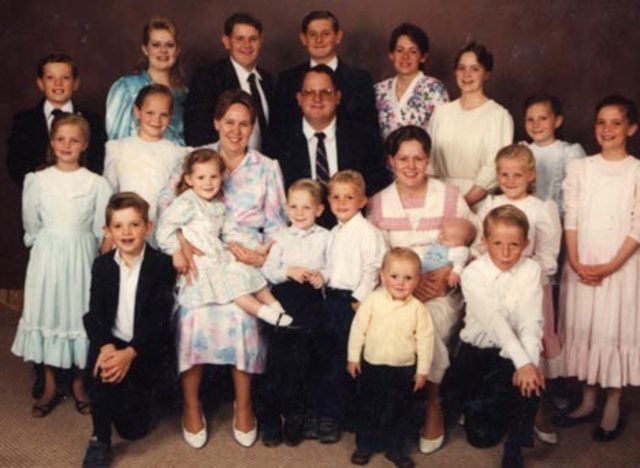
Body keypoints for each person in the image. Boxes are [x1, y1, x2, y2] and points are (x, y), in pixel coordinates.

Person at [160, 88, 288, 449]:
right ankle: (190, 404)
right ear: (216, 122)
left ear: (252, 127)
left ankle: (244, 404)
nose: (235, 130)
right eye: (228, 122)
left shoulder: (267, 168)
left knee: (243, 319)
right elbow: (166, 205)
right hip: (199, 259)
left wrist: (261, 256)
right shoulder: (194, 157)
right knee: (192, 318)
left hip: (245, 261)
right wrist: (180, 246)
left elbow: (278, 226)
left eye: (244, 124)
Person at [367, 125, 474, 454]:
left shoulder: (449, 196)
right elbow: (373, 258)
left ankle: (432, 403)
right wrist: (404, 285)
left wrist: (445, 273)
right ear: (391, 161)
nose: (411, 166)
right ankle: (392, 414)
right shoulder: (379, 203)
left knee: (431, 325)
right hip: (398, 287)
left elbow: (475, 241)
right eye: (403, 159)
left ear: (428, 159)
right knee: (393, 325)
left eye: (418, 158)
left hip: (442, 285)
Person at [11, 114, 112, 419]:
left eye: (74, 140)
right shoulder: (37, 180)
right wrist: (45, 247)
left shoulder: (97, 183)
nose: (67, 145)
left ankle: (80, 383)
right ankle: (51, 384)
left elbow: (99, 229)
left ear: (84, 145)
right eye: (60, 139)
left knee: (78, 316)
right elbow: (32, 223)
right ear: (52, 142)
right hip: (48, 257)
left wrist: (91, 255)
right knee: (49, 311)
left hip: (82, 256)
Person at [555, 96, 640, 442]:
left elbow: (638, 226)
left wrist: (610, 266)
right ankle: (588, 399)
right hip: (582, 258)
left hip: (620, 263)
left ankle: (612, 404)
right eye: (601, 122)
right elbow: (571, 216)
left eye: (616, 123)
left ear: (631, 129)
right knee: (586, 326)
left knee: (612, 327)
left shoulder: (637, 170)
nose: (607, 130)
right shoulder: (581, 168)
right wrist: (574, 260)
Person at [474, 143, 562, 444]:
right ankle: (496, 406)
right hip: (495, 286)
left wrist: (520, 271)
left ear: (531, 175)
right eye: (504, 174)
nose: (510, 181)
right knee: (499, 344)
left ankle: (536, 407)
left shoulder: (541, 208)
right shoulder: (488, 204)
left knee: (531, 344)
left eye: (517, 175)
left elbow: (549, 257)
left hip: (529, 287)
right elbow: (478, 246)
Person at [81, 192, 176, 467]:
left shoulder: (160, 265)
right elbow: (94, 314)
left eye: (134, 225)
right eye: (118, 226)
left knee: (133, 430)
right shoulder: (102, 266)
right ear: (107, 231)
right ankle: (99, 438)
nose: (126, 232)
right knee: (103, 370)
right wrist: (109, 348)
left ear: (148, 227)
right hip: (113, 344)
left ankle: (129, 401)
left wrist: (130, 353)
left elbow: (158, 320)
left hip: (143, 347)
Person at [450, 204, 545, 468]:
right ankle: (493, 408)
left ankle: (516, 444)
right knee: (481, 438)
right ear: (484, 242)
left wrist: (529, 365)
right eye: (497, 243)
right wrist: (522, 362)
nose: (505, 253)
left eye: (514, 245)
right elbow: (495, 322)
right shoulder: (472, 274)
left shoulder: (532, 270)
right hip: (477, 356)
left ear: (526, 243)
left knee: (531, 374)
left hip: (512, 353)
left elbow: (531, 320)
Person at [315, 170, 387, 443]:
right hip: (331, 297)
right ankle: (332, 412)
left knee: (348, 357)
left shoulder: (368, 232)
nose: (342, 202)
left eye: (349, 197)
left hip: (353, 301)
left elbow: (374, 267)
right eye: (335, 196)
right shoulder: (333, 232)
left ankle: (345, 414)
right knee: (330, 355)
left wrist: (360, 298)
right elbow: (331, 266)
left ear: (362, 201)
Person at [258, 179, 331, 447]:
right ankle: (270, 418)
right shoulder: (279, 237)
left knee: (302, 360)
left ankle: (295, 415)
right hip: (284, 298)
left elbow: (332, 267)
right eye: (294, 207)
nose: (299, 213)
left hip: (310, 301)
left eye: (307, 207)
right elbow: (268, 270)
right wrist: (289, 271)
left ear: (320, 210)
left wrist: (322, 276)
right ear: (286, 208)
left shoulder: (326, 236)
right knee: (278, 360)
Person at [347, 247, 434, 468]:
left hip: (403, 369)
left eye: (408, 278)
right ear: (383, 276)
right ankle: (365, 445)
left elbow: (425, 341)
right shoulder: (373, 301)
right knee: (369, 407)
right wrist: (353, 358)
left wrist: (422, 371)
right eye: (394, 276)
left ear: (417, 281)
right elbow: (358, 330)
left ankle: (396, 449)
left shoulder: (418, 309)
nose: (400, 283)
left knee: (400, 411)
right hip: (372, 366)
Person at [273, 64, 389, 227]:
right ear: (299, 99)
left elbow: (376, 185)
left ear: (337, 97)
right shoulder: (279, 141)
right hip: (299, 233)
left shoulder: (363, 138)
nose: (317, 98)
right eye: (309, 92)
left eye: (325, 92)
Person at [428, 42, 513, 209]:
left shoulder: (498, 116)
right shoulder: (441, 113)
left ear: (486, 74)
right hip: (439, 198)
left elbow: (494, 167)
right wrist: (439, 202)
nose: (467, 74)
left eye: (475, 69)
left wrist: (463, 204)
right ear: (455, 72)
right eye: (461, 68)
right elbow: (429, 161)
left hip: (478, 200)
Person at [274, 10, 379, 140]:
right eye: (312, 34)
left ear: (338, 36)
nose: (319, 40)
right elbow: (278, 131)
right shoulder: (287, 80)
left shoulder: (360, 80)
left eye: (326, 34)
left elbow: (370, 133)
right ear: (303, 38)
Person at [7, 52, 106, 185]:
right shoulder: (23, 121)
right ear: (40, 83)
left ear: (75, 83)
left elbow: (98, 160)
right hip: (41, 194)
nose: (58, 83)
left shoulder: (92, 120)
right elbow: (16, 165)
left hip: (81, 193)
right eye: (50, 78)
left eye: (65, 78)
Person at [103, 84, 189, 231]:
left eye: (163, 115)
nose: (156, 120)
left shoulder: (178, 153)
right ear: (137, 111)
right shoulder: (118, 148)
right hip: (127, 229)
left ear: (171, 115)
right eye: (150, 113)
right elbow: (109, 194)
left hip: (162, 230)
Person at [184, 12, 274, 151]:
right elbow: (196, 134)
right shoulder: (208, 78)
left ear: (260, 42)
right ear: (227, 42)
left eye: (253, 39)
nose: (247, 45)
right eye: (239, 39)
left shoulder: (268, 80)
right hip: (222, 167)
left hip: (262, 168)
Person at [106, 17, 186, 145]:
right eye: (156, 45)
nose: (163, 51)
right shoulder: (127, 88)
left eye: (169, 45)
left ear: (177, 50)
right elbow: (116, 139)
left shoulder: (184, 94)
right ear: (145, 49)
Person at [375, 23, 449, 139]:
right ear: (391, 55)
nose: (405, 56)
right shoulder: (379, 90)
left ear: (423, 57)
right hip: (384, 157)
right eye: (400, 50)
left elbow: (442, 136)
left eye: (413, 51)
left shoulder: (434, 89)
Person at [523, 94, 586, 217]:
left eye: (543, 118)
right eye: (530, 119)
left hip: (561, 222)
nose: (536, 125)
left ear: (557, 121)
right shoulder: (522, 152)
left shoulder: (570, 153)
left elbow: (580, 195)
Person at [421, 217, 475, 287]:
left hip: (433, 277)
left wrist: (456, 272)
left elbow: (460, 262)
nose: (439, 237)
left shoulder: (458, 250)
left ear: (459, 244)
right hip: (421, 269)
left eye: (444, 238)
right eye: (440, 233)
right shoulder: (437, 244)